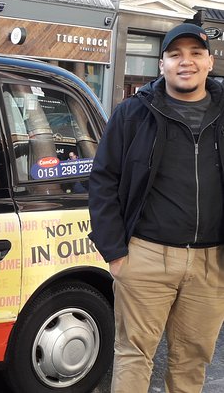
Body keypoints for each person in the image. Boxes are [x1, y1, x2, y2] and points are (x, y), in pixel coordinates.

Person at [88, 23, 224, 393]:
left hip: (212, 262)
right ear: (161, 63)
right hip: (145, 255)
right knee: (134, 355)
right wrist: (116, 252)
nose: (186, 62)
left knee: (193, 359)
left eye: (196, 54)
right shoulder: (133, 114)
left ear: (210, 62)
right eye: (175, 54)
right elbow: (103, 181)